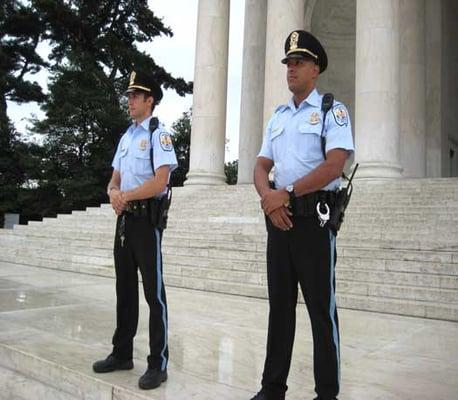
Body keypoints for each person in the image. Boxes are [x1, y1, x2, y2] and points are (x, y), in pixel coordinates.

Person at [251, 30, 354, 400]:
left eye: (299, 63)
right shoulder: (278, 117)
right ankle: (272, 387)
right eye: (289, 63)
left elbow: (335, 164)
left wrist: (287, 195)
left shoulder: (331, 111)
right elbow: (261, 165)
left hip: (314, 221)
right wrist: (269, 199)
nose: (291, 69)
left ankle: (327, 393)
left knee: (320, 312)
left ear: (316, 69)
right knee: (279, 309)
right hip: (279, 223)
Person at [92, 70, 177, 390]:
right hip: (125, 219)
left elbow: (161, 180)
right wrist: (114, 193)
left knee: (154, 293)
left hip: (146, 221)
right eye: (128, 96)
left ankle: (158, 363)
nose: (129, 101)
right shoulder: (126, 137)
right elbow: (114, 177)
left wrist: (125, 195)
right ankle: (122, 353)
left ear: (149, 100)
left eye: (135, 96)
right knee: (124, 288)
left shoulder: (158, 133)